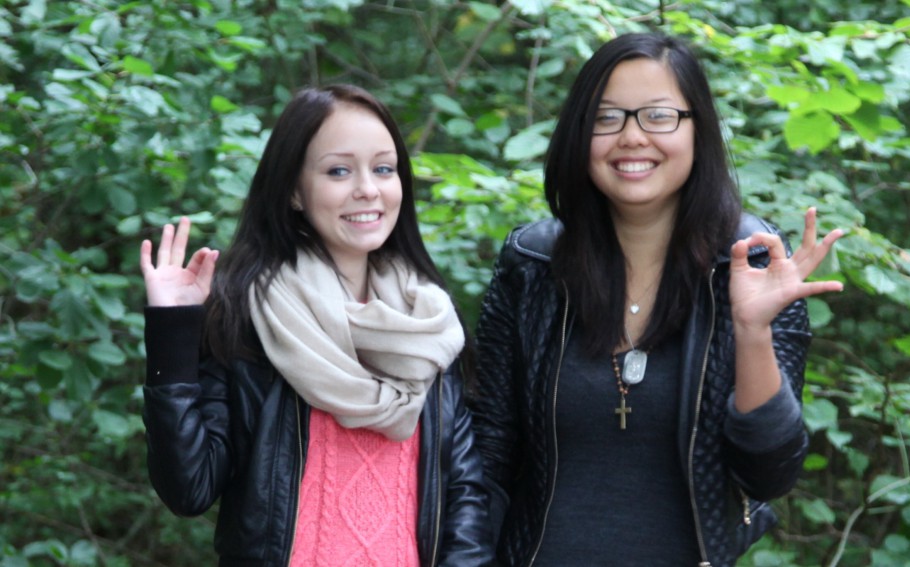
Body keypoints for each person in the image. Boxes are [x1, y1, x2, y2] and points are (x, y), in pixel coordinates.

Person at [469, 32, 844, 567]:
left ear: (698, 129)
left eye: (659, 116)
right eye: (606, 118)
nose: (631, 137)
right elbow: (487, 455)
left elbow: (770, 475)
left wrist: (752, 332)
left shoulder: (753, 263)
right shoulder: (531, 266)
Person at [139, 84, 494, 566]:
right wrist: (173, 330)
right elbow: (189, 489)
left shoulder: (429, 326)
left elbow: (463, 497)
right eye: (338, 171)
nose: (368, 188)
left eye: (383, 169)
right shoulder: (251, 319)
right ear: (293, 190)